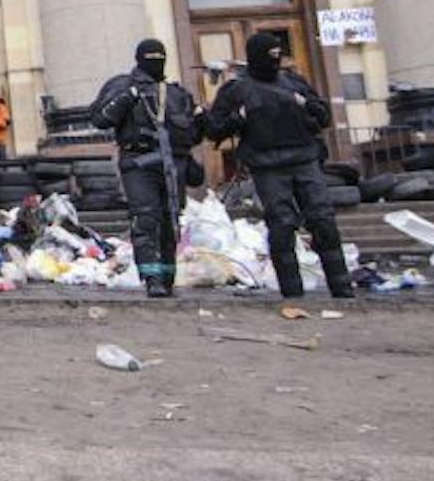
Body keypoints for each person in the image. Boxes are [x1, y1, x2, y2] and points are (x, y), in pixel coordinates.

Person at [202, 32, 353, 300]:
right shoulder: (237, 89)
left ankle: (342, 287)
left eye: (277, 55)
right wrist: (238, 119)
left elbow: (323, 116)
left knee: (323, 221)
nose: (275, 60)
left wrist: (308, 105)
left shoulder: (294, 82)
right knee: (282, 225)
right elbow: (214, 129)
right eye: (269, 55)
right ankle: (291, 291)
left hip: (305, 159)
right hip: (268, 165)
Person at [91, 38, 200, 298]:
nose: (156, 62)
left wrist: (201, 122)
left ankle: (167, 275)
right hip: (138, 162)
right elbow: (100, 119)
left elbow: (191, 134)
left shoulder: (176, 94)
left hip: (171, 164)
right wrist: (128, 98)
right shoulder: (123, 86)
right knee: (145, 218)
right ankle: (152, 277)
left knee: (170, 219)